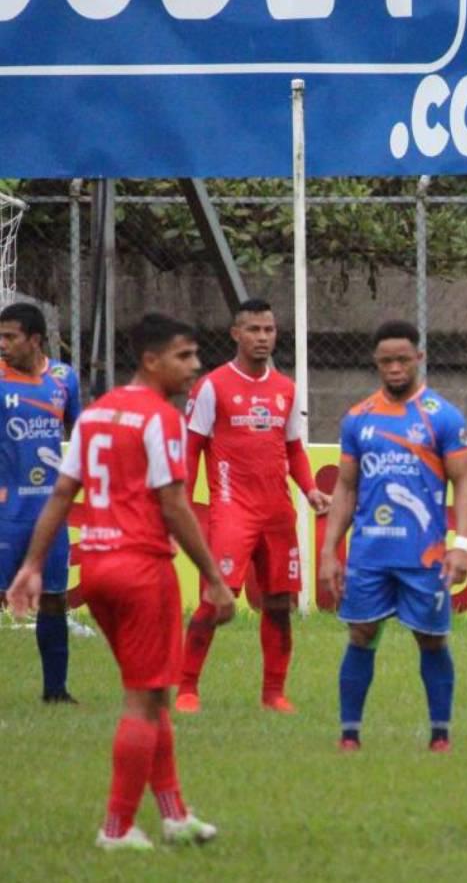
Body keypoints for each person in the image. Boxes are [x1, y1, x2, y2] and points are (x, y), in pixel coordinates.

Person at [7, 312, 237, 851]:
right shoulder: (161, 419)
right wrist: (214, 577)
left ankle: (175, 814)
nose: (195, 366)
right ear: (151, 360)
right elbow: (175, 504)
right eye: (184, 356)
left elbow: (63, 493)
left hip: (101, 570)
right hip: (142, 571)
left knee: (152, 694)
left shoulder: (96, 414)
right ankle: (116, 828)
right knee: (144, 700)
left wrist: (33, 565)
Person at [318, 320, 467, 754]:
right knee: (361, 633)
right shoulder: (358, 419)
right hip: (369, 553)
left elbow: (464, 484)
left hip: (424, 555)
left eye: (403, 359)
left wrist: (461, 546)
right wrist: (330, 550)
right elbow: (346, 487)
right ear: (375, 362)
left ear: (419, 359)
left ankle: (440, 736)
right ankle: (350, 735)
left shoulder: (443, 416)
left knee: (431, 638)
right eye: (386, 360)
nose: (394, 368)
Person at [176, 297, 331, 714]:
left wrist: (311, 489)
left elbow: (294, 450)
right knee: (217, 598)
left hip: (278, 513)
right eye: (254, 330)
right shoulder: (212, 386)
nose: (263, 338)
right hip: (232, 511)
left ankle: (274, 694)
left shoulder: (285, 389)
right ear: (236, 334)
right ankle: (187, 688)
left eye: (269, 330)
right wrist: (184, 505)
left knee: (280, 603)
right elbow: (191, 451)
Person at [0, 302, 82, 703]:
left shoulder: (65, 378)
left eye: (10, 337)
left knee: (54, 597)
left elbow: (81, 436)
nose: (3, 344)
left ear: (34, 339)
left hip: (49, 512)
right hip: (4, 511)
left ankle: (56, 690)